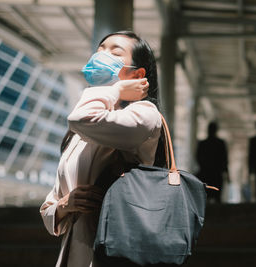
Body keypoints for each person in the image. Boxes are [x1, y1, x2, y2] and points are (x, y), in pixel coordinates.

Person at [40, 31, 163, 267]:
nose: (101, 55)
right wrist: (66, 204)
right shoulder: (77, 134)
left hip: (114, 252)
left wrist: (116, 91)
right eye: (100, 49)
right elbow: (49, 207)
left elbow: (82, 118)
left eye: (115, 52)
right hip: (73, 252)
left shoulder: (144, 114)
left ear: (137, 75)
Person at [196, 122, 229, 203]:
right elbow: (224, 159)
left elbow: (198, 157)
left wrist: (203, 167)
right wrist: (227, 173)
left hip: (206, 172)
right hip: (217, 172)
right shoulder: (220, 143)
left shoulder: (203, 143)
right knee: (217, 195)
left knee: (206, 195)